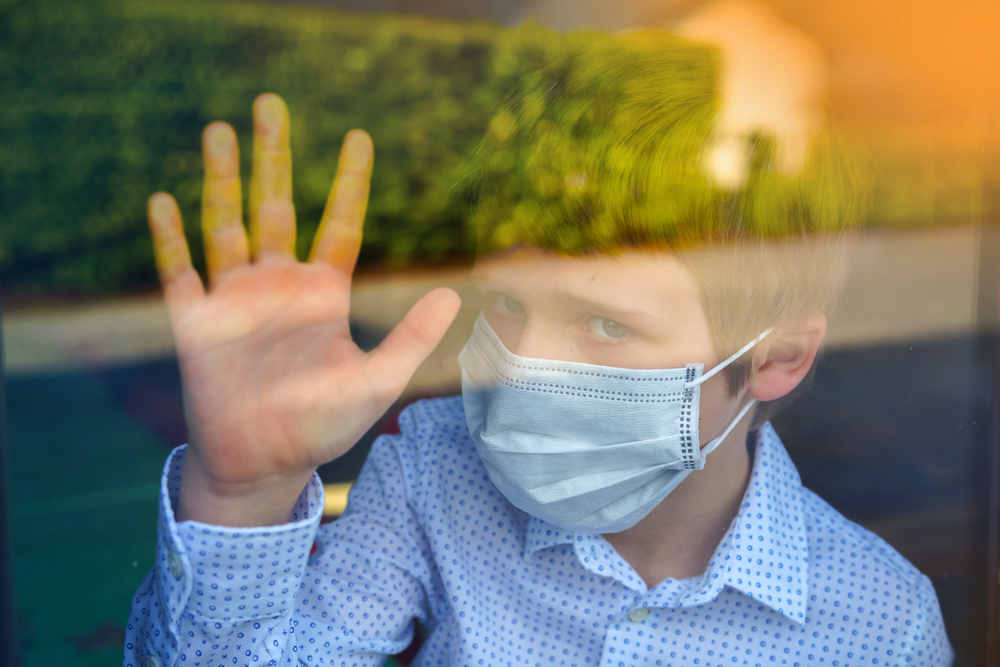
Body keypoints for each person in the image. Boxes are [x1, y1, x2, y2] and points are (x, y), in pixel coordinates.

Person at [124, 19, 952, 667]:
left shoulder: (882, 623)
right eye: (508, 305)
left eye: (606, 324)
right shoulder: (433, 471)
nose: (524, 373)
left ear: (774, 359)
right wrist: (242, 496)